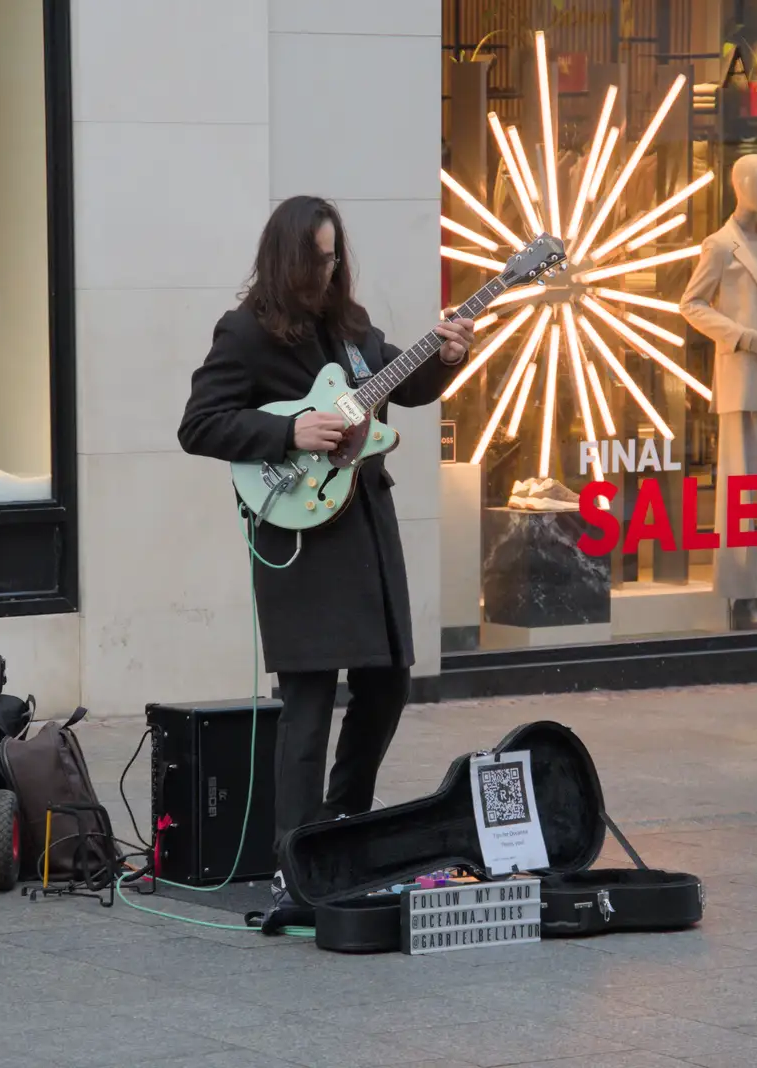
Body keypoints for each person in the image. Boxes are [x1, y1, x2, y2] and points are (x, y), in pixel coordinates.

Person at [178, 196, 474, 912]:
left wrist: (448, 361)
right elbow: (200, 424)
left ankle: (343, 830)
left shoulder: (354, 328)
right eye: (316, 255)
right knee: (307, 707)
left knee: (386, 686)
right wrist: (289, 433)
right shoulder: (245, 333)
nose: (328, 267)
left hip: (367, 528)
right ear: (286, 257)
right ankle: (292, 862)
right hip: (301, 539)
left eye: (335, 254)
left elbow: (398, 391)